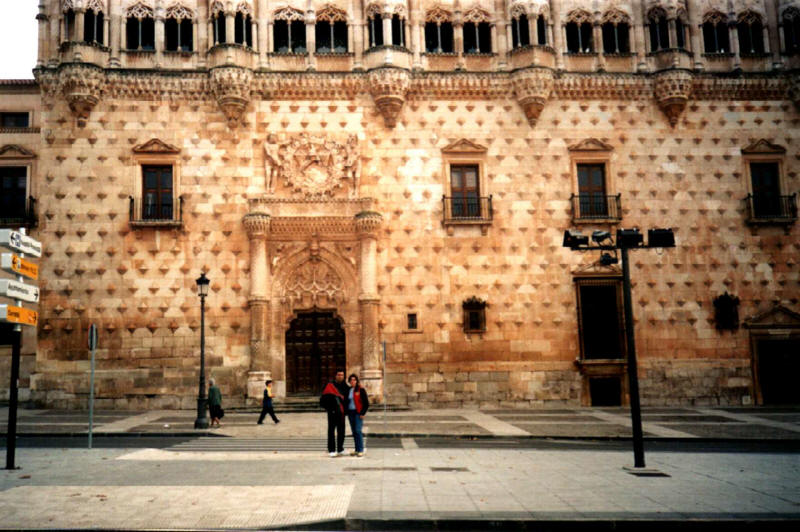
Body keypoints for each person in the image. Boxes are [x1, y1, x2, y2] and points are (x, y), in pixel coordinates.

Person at [320, 370, 348, 457]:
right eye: (339, 375)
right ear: (335, 376)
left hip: (342, 412)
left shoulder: (345, 386)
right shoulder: (329, 385)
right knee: (331, 431)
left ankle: (340, 448)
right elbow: (323, 399)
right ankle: (331, 449)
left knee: (341, 431)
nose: (340, 376)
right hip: (332, 412)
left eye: (342, 375)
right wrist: (329, 409)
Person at [346, 374, 369, 457]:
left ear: (357, 381)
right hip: (350, 412)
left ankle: (361, 449)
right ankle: (356, 449)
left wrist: (363, 413)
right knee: (354, 432)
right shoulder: (348, 390)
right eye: (351, 380)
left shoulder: (361, 389)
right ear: (349, 381)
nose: (353, 381)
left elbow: (366, 403)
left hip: (358, 412)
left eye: (354, 380)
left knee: (358, 430)